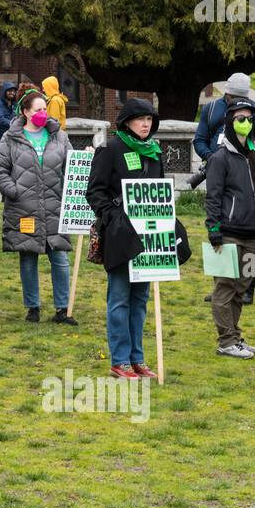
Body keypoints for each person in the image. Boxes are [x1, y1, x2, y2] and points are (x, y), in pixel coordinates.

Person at [85, 97, 163, 380]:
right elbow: (94, 191)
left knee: (140, 299)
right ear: (127, 121)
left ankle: (137, 359)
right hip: (119, 236)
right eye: (141, 119)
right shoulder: (110, 149)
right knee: (119, 297)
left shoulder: (154, 151)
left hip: (148, 236)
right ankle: (120, 360)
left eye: (150, 119)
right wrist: (112, 217)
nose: (146, 124)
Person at [0, 83, 77, 325]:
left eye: (45, 108)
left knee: (60, 259)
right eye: (39, 109)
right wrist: (13, 190)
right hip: (24, 208)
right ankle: (33, 307)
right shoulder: (11, 139)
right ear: (26, 112)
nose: (44, 113)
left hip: (54, 207)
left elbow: (71, 166)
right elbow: (0, 169)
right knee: (28, 259)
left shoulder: (59, 136)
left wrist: (86, 156)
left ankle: (63, 309)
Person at [204, 97, 255, 358]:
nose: (245, 123)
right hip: (229, 235)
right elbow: (213, 197)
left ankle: (235, 336)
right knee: (225, 286)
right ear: (230, 122)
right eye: (240, 119)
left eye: (249, 119)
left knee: (242, 286)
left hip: (253, 238)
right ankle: (226, 340)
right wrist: (214, 230)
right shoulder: (219, 159)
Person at [193, 72, 255, 167]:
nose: (236, 103)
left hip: (246, 172)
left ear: (246, 97)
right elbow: (199, 140)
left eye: (240, 99)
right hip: (215, 168)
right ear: (227, 93)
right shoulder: (211, 108)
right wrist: (211, 157)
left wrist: (252, 158)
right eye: (233, 98)